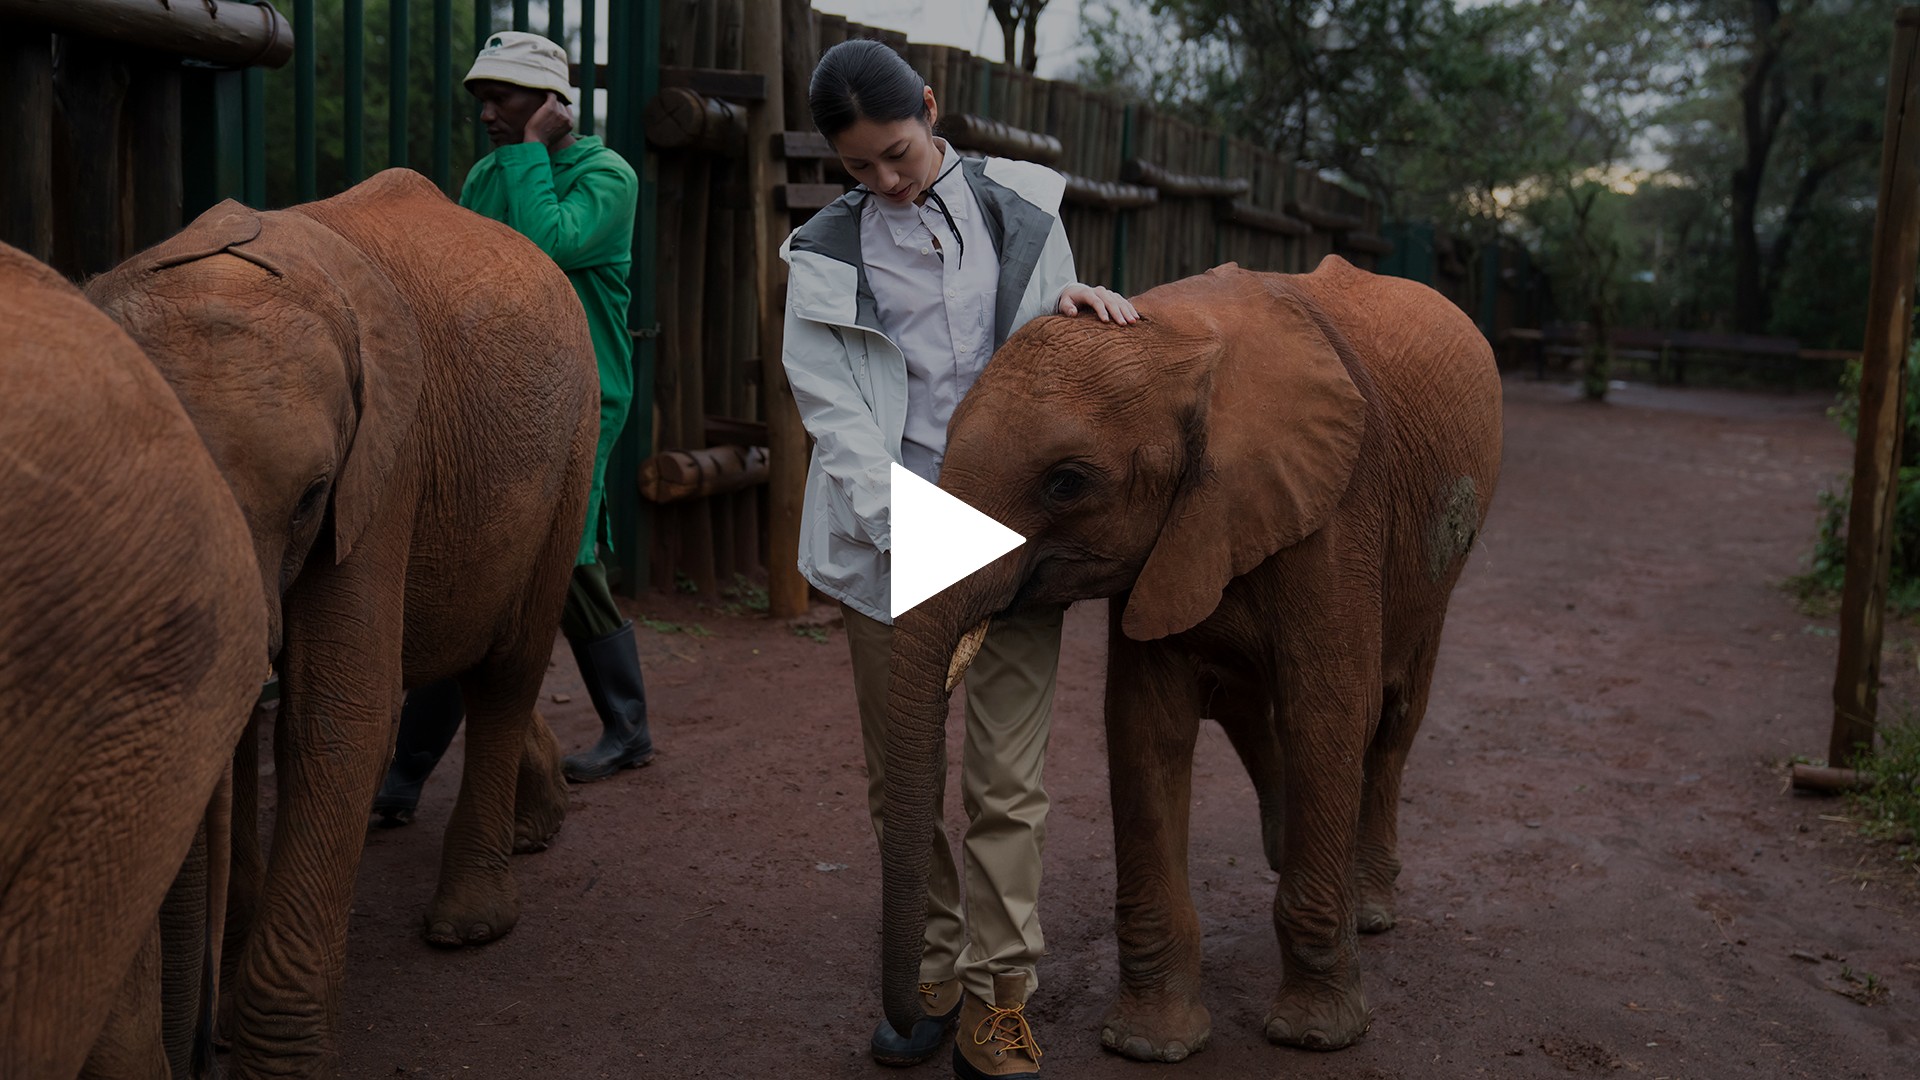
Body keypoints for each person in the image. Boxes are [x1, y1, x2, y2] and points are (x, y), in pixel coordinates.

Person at [781, 39, 1138, 1080]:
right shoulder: (821, 254)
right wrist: (923, 543)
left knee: (1006, 782)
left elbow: (1041, 356)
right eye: (860, 167)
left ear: (931, 109)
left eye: (897, 153)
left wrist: (1077, 314)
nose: (887, 181)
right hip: (890, 538)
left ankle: (997, 994)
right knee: (903, 778)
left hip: (1016, 540)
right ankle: (931, 960)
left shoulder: (1026, 203)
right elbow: (838, 422)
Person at [373, 31, 654, 825]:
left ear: (553, 102)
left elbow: (544, 247)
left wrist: (530, 153)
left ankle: (406, 776)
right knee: (507, 563)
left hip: (581, 397)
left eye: (505, 98)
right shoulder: (483, 175)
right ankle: (624, 727)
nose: (489, 113)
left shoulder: (607, 175)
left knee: (547, 557)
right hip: (492, 400)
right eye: (482, 99)